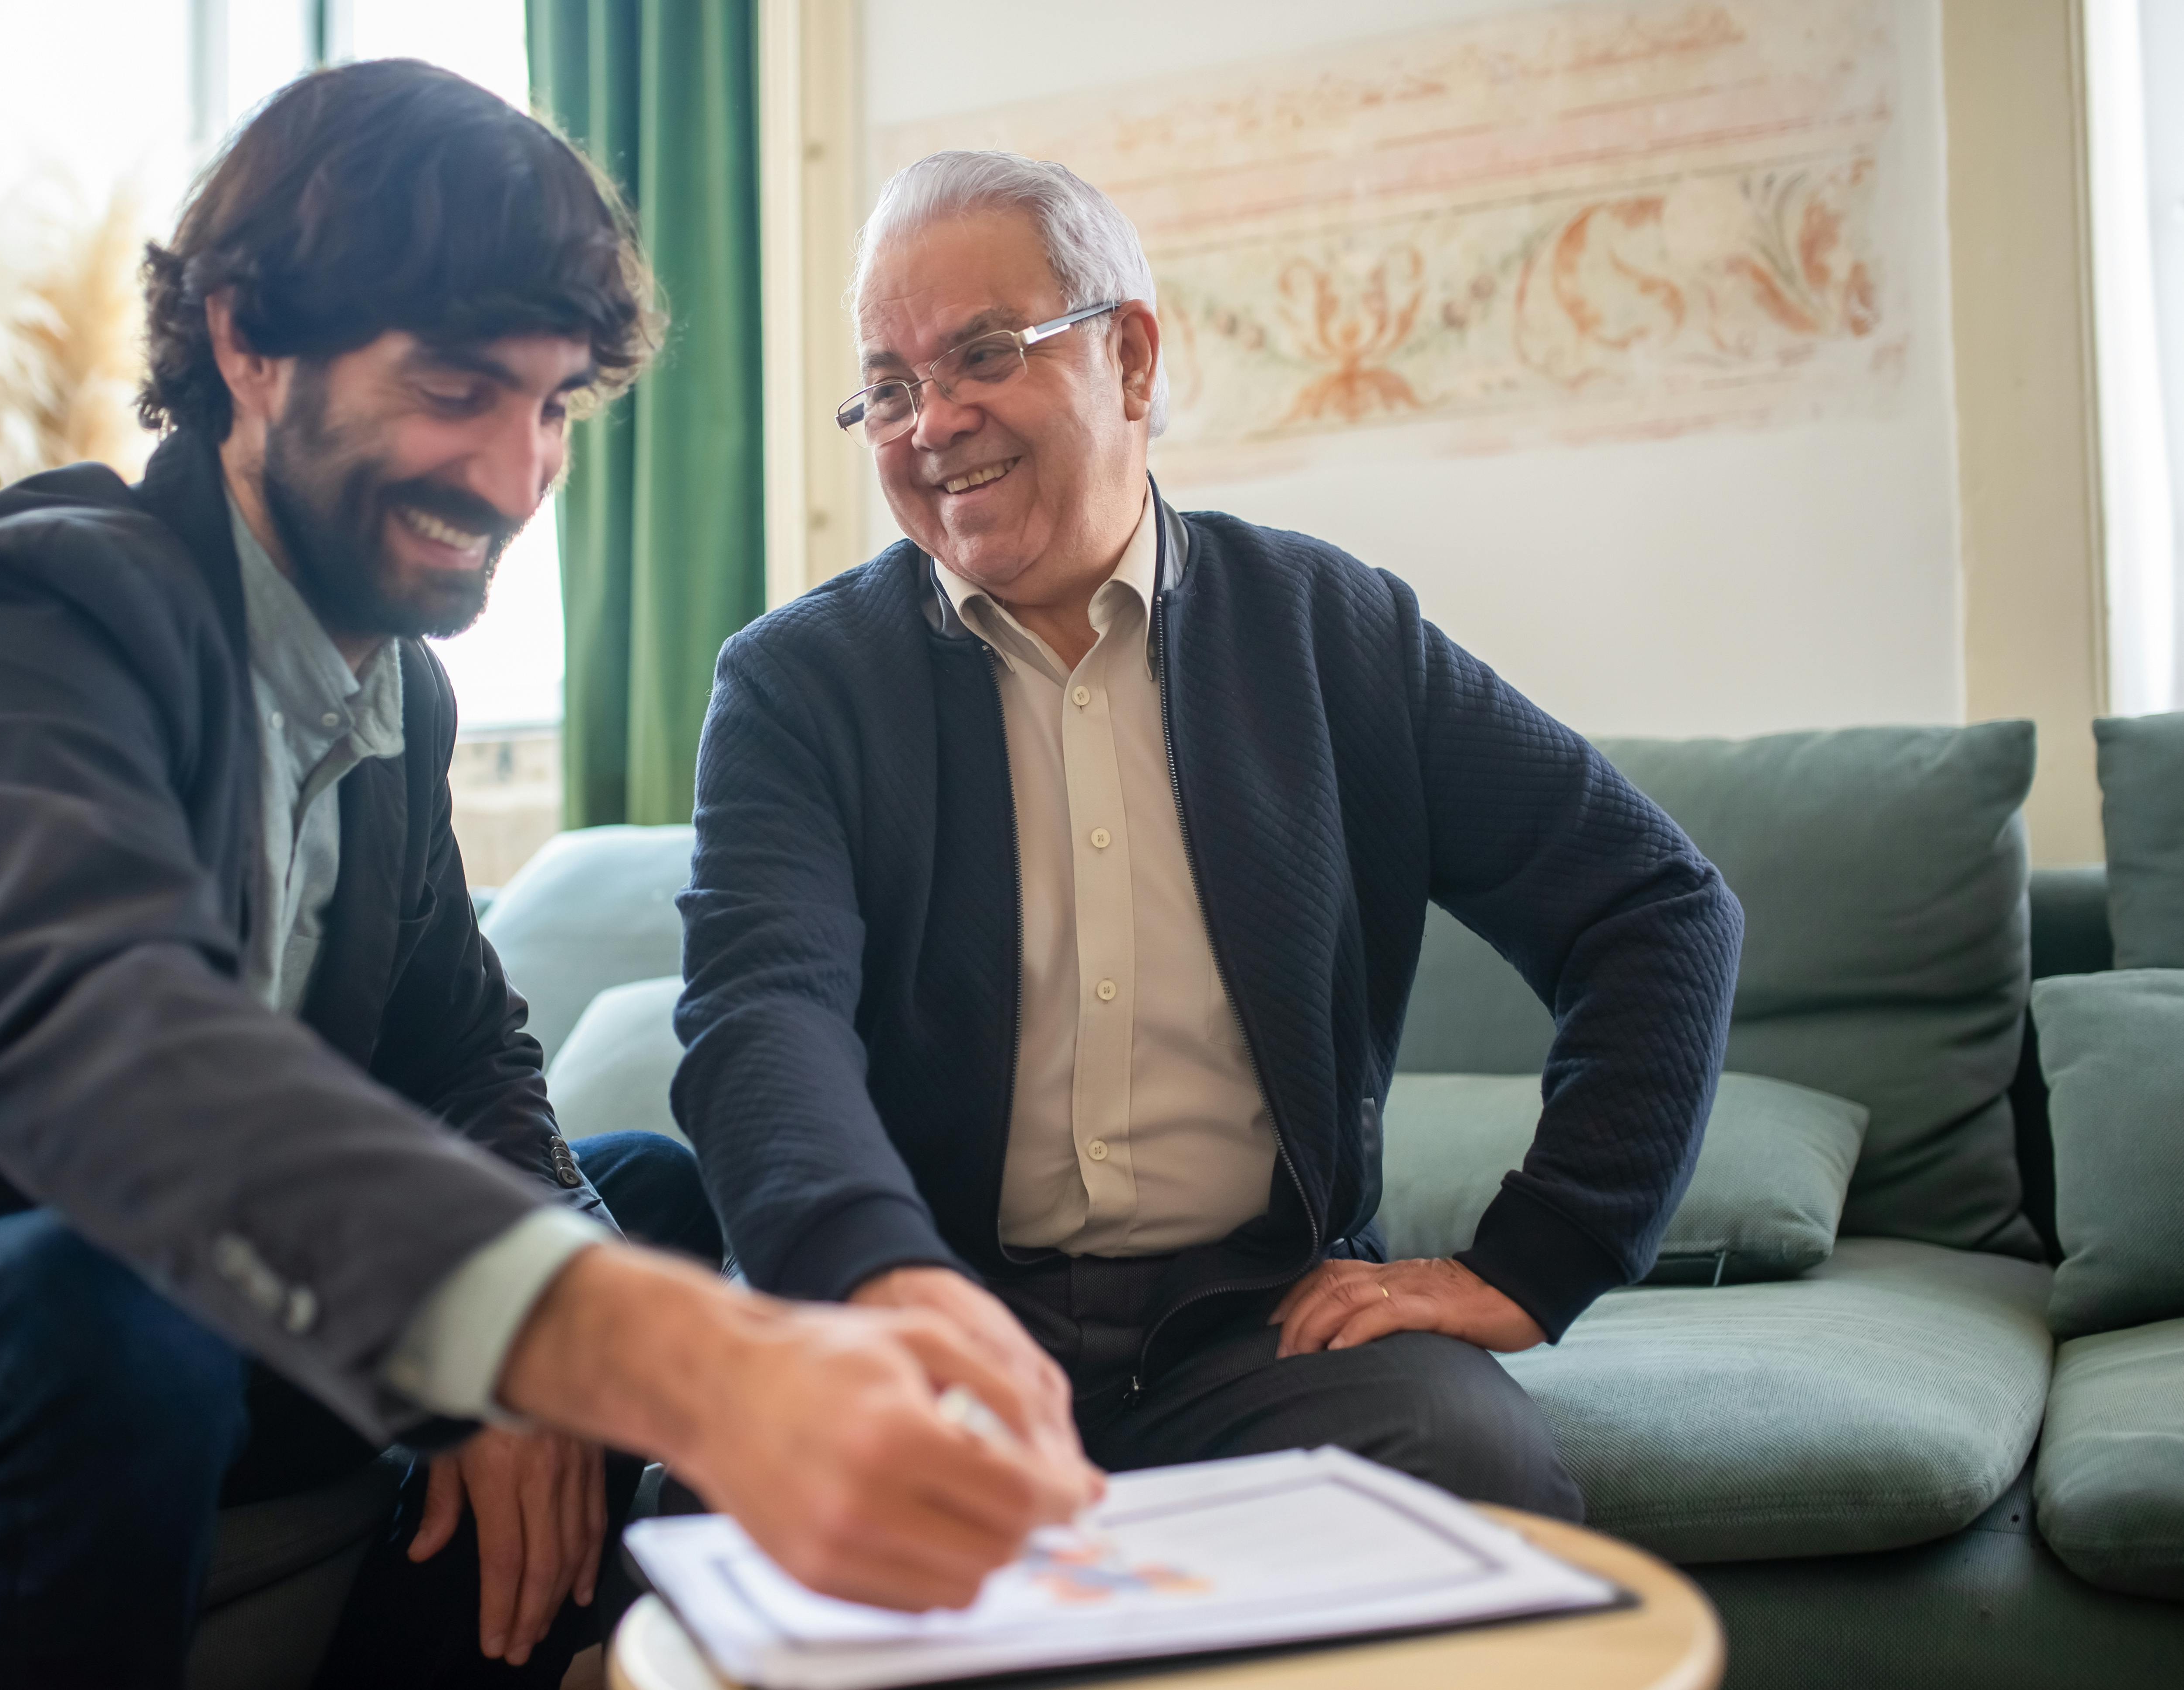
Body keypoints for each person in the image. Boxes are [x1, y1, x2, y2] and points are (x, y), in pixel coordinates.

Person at [0, 76, 1095, 1690]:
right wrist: (657, 1357)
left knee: (649, 1206)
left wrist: (544, 1328)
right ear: (249, 344)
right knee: (103, 1320)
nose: (514, 474)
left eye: (553, 408)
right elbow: (97, 1043)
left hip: (184, 1337)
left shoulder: (395, 693)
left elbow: (466, 1046)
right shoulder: (24, 611)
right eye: (460, 390)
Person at [674, 151, 1745, 1515]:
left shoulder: (1331, 631)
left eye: (981, 356)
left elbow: (1655, 906)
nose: (930, 422)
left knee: (1476, 1474)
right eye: (887, 386)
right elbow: (762, 1020)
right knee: (703, 1538)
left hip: (1260, 1329)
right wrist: (880, 1283)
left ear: (1128, 359)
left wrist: (1540, 1258)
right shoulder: (797, 684)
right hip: (926, 1319)